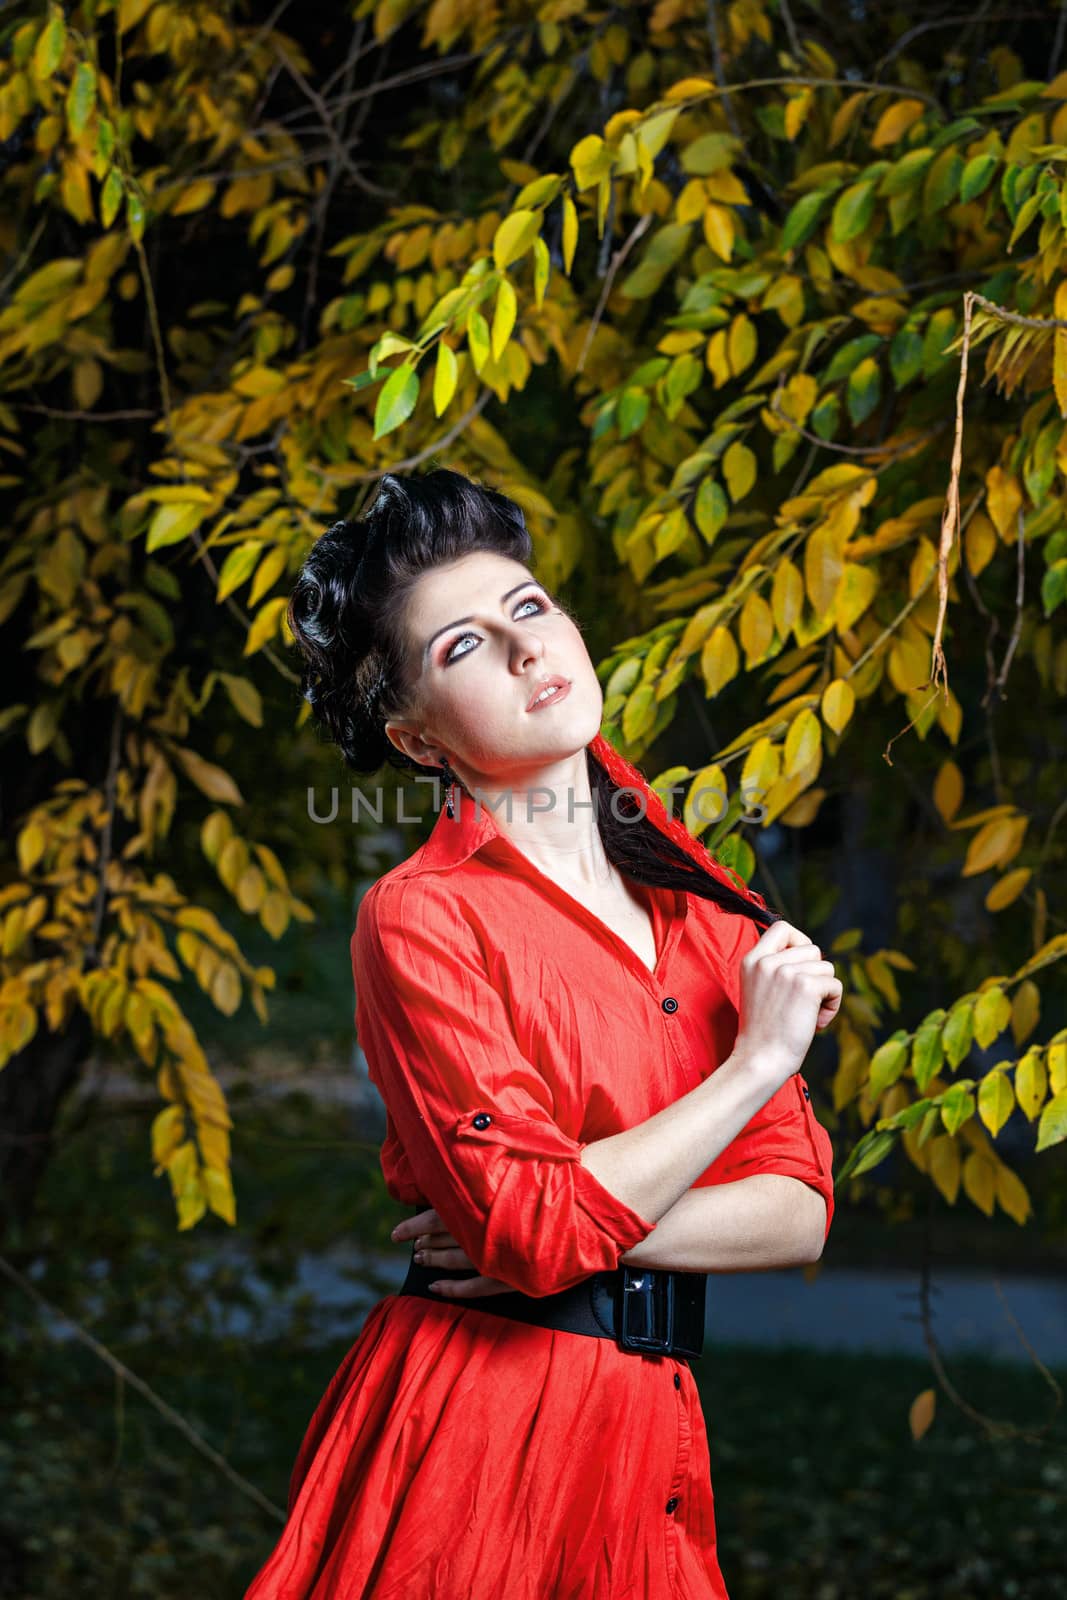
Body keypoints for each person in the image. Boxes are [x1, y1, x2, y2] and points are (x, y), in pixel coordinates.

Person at [243, 467, 843, 1600]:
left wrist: (562, 1223)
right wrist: (758, 1060)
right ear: (418, 740)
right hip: (481, 1447)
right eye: (460, 647)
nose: (523, 650)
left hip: (651, 1440)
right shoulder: (421, 915)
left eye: (526, 607)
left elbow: (795, 1210)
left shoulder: (702, 914)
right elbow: (526, 1229)